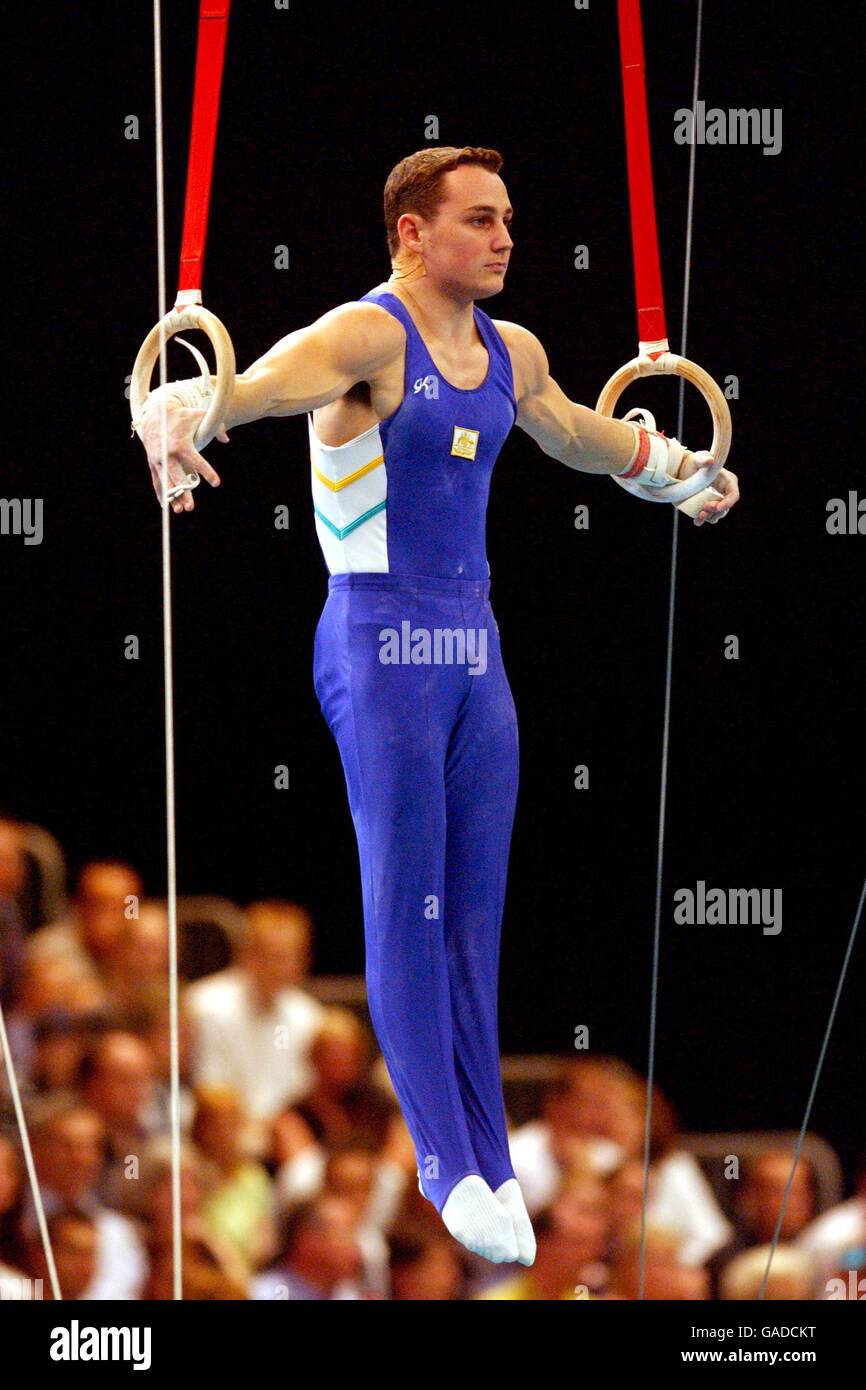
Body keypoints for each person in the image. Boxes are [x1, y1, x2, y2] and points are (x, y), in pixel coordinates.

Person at [135, 145, 741, 1264]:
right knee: (404, 899)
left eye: (508, 217)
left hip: (474, 643)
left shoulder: (513, 349)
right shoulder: (369, 333)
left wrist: (678, 467)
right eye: (478, 218)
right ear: (412, 232)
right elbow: (265, 383)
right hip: (376, 638)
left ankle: (492, 1161)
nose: (505, 236)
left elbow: (575, 433)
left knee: (472, 912)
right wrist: (183, 406)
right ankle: (439, 1155)